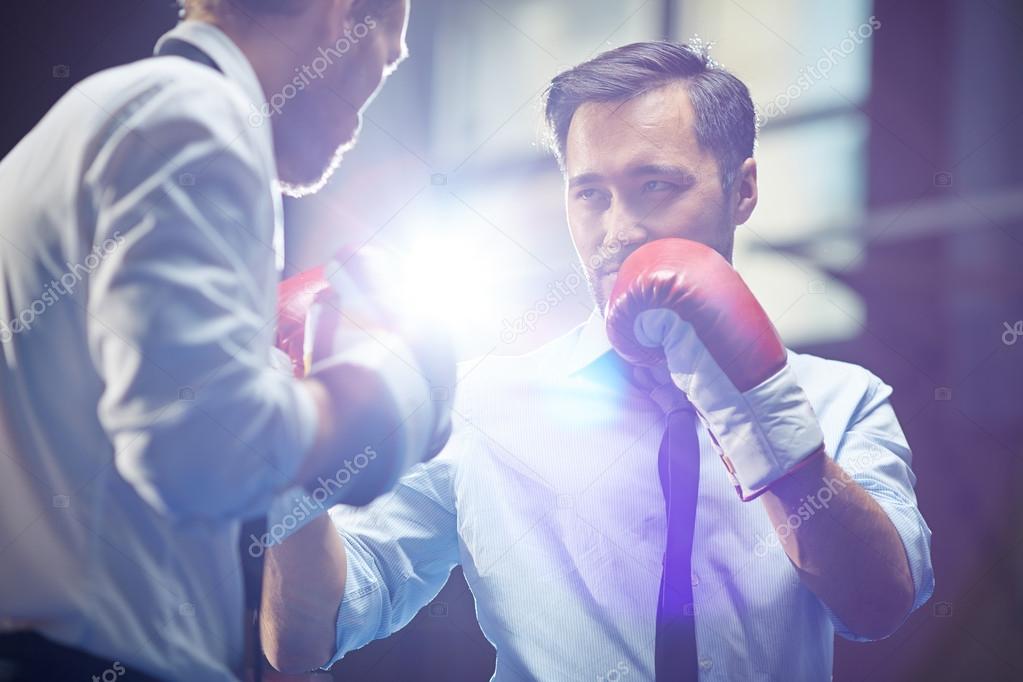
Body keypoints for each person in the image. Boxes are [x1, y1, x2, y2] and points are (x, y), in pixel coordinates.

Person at [263, 42, 935, 681]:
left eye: (656, 185)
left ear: (743, 189)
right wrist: (295, 444)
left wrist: (761, 405)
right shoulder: (481, 405)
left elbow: (876, 606)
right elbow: (305, 638)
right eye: (590, 194)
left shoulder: (843, 399)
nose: (618, 234)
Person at [0, 1, 448, 680]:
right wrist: (390, 388)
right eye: (377, 68)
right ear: (340, 16)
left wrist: (271, 378)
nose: (361, 120)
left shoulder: (82, 120)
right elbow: (196, 449)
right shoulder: (198, 119)